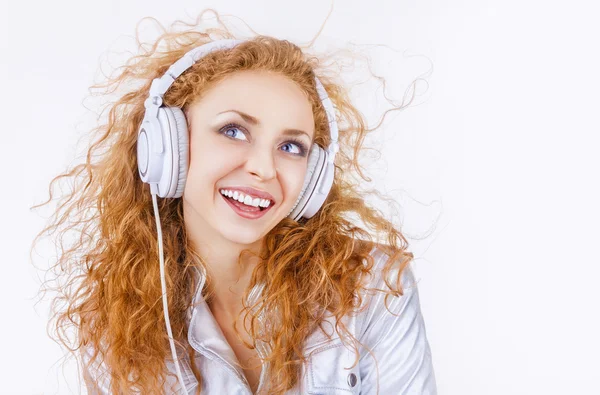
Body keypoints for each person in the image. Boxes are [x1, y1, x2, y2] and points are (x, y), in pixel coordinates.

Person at [31, 10, 437, 395]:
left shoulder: (372, 288)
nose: (263, 168)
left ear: (313, 179)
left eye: (291, 146)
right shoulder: (115, 326)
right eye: (233, 130)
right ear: (167, 148)